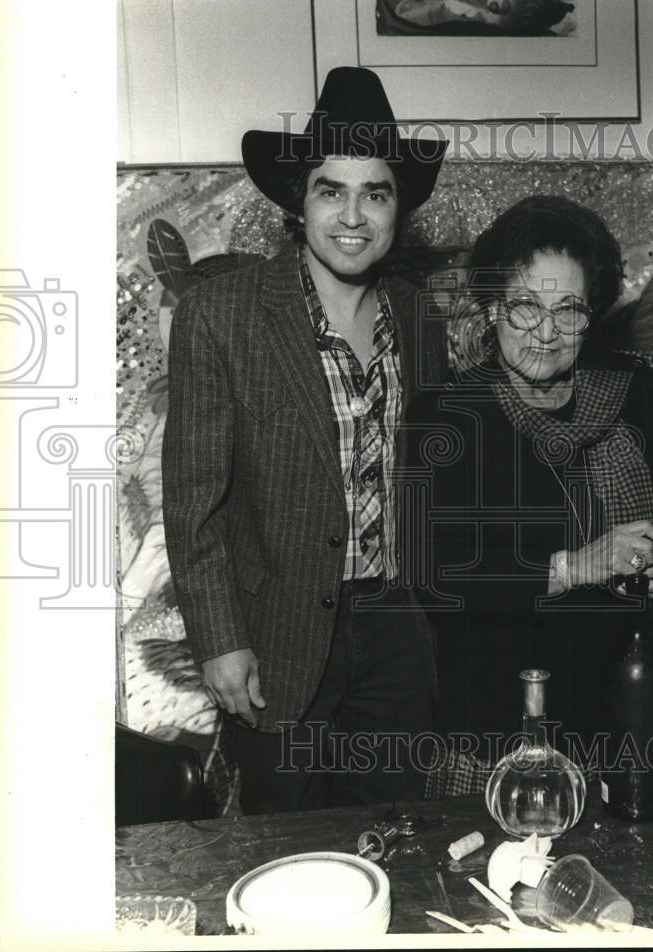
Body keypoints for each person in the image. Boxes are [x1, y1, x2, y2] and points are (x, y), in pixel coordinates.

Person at [161, 67, 449, 813]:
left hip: (394, 635)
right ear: (300, 201)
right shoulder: (220, 316)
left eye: (375, 192)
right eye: (332, 189)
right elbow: (193, 504)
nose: (352, 215)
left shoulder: (419, 320)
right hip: (278, 639)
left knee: (396, 835)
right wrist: (220, 638)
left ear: (398, 209)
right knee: (288, 847)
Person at [402, 195, 653, 786]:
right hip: (495, 730)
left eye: (568, 310)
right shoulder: (447, 416)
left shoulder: (634, 391)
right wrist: (576, 565)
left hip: (620, 717)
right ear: (491, 309)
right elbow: (437, 574)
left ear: (591, 314)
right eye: (524, 307)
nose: (546, 332)